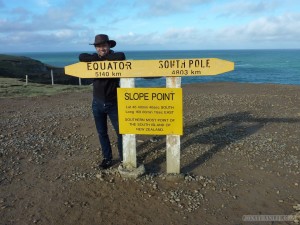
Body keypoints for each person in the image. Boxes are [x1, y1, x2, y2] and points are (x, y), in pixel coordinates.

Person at [79, 34, 125, 169]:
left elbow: (121, 56)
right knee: (102, 132)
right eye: (98, 46)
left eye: (103, 46)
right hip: (97, 103)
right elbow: (81, 57)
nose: (101, 49)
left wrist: (102, 58)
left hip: (114, 103)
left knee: (121, 132)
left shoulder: (115, 57)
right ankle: (107, 158)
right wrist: (98, 58)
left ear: (109, 46)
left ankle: (124, 158)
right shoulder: (94, 58)